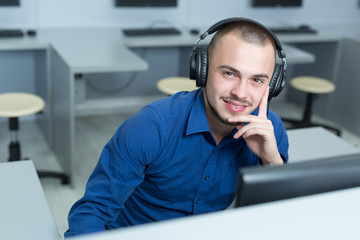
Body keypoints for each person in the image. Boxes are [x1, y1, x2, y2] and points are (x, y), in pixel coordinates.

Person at [64, 17, 289, 238]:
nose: (240, 93)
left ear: (273, 86)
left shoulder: (270, 131)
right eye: (229, 73)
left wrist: (271, 162)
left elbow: (279, 217)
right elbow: (92, 212)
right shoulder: (151, 127)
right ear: (202, 70)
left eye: (257, 80)